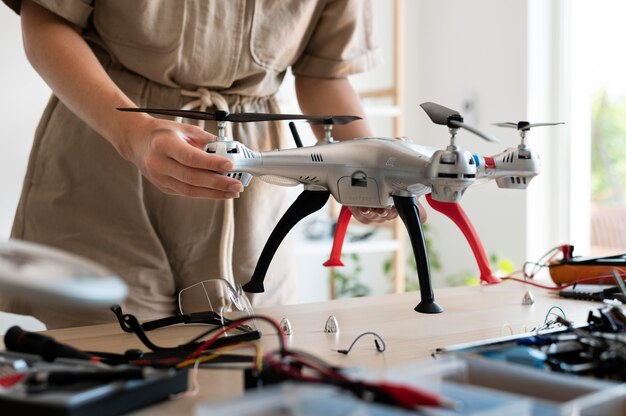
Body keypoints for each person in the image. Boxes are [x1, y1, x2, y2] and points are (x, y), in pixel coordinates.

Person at [1, 0, 424, 329]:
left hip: (253, 188)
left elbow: (324, 74)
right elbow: (47, 21)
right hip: (107, 153)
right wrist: (132, 133)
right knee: (113, 363)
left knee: (249, 361)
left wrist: (370, 170)